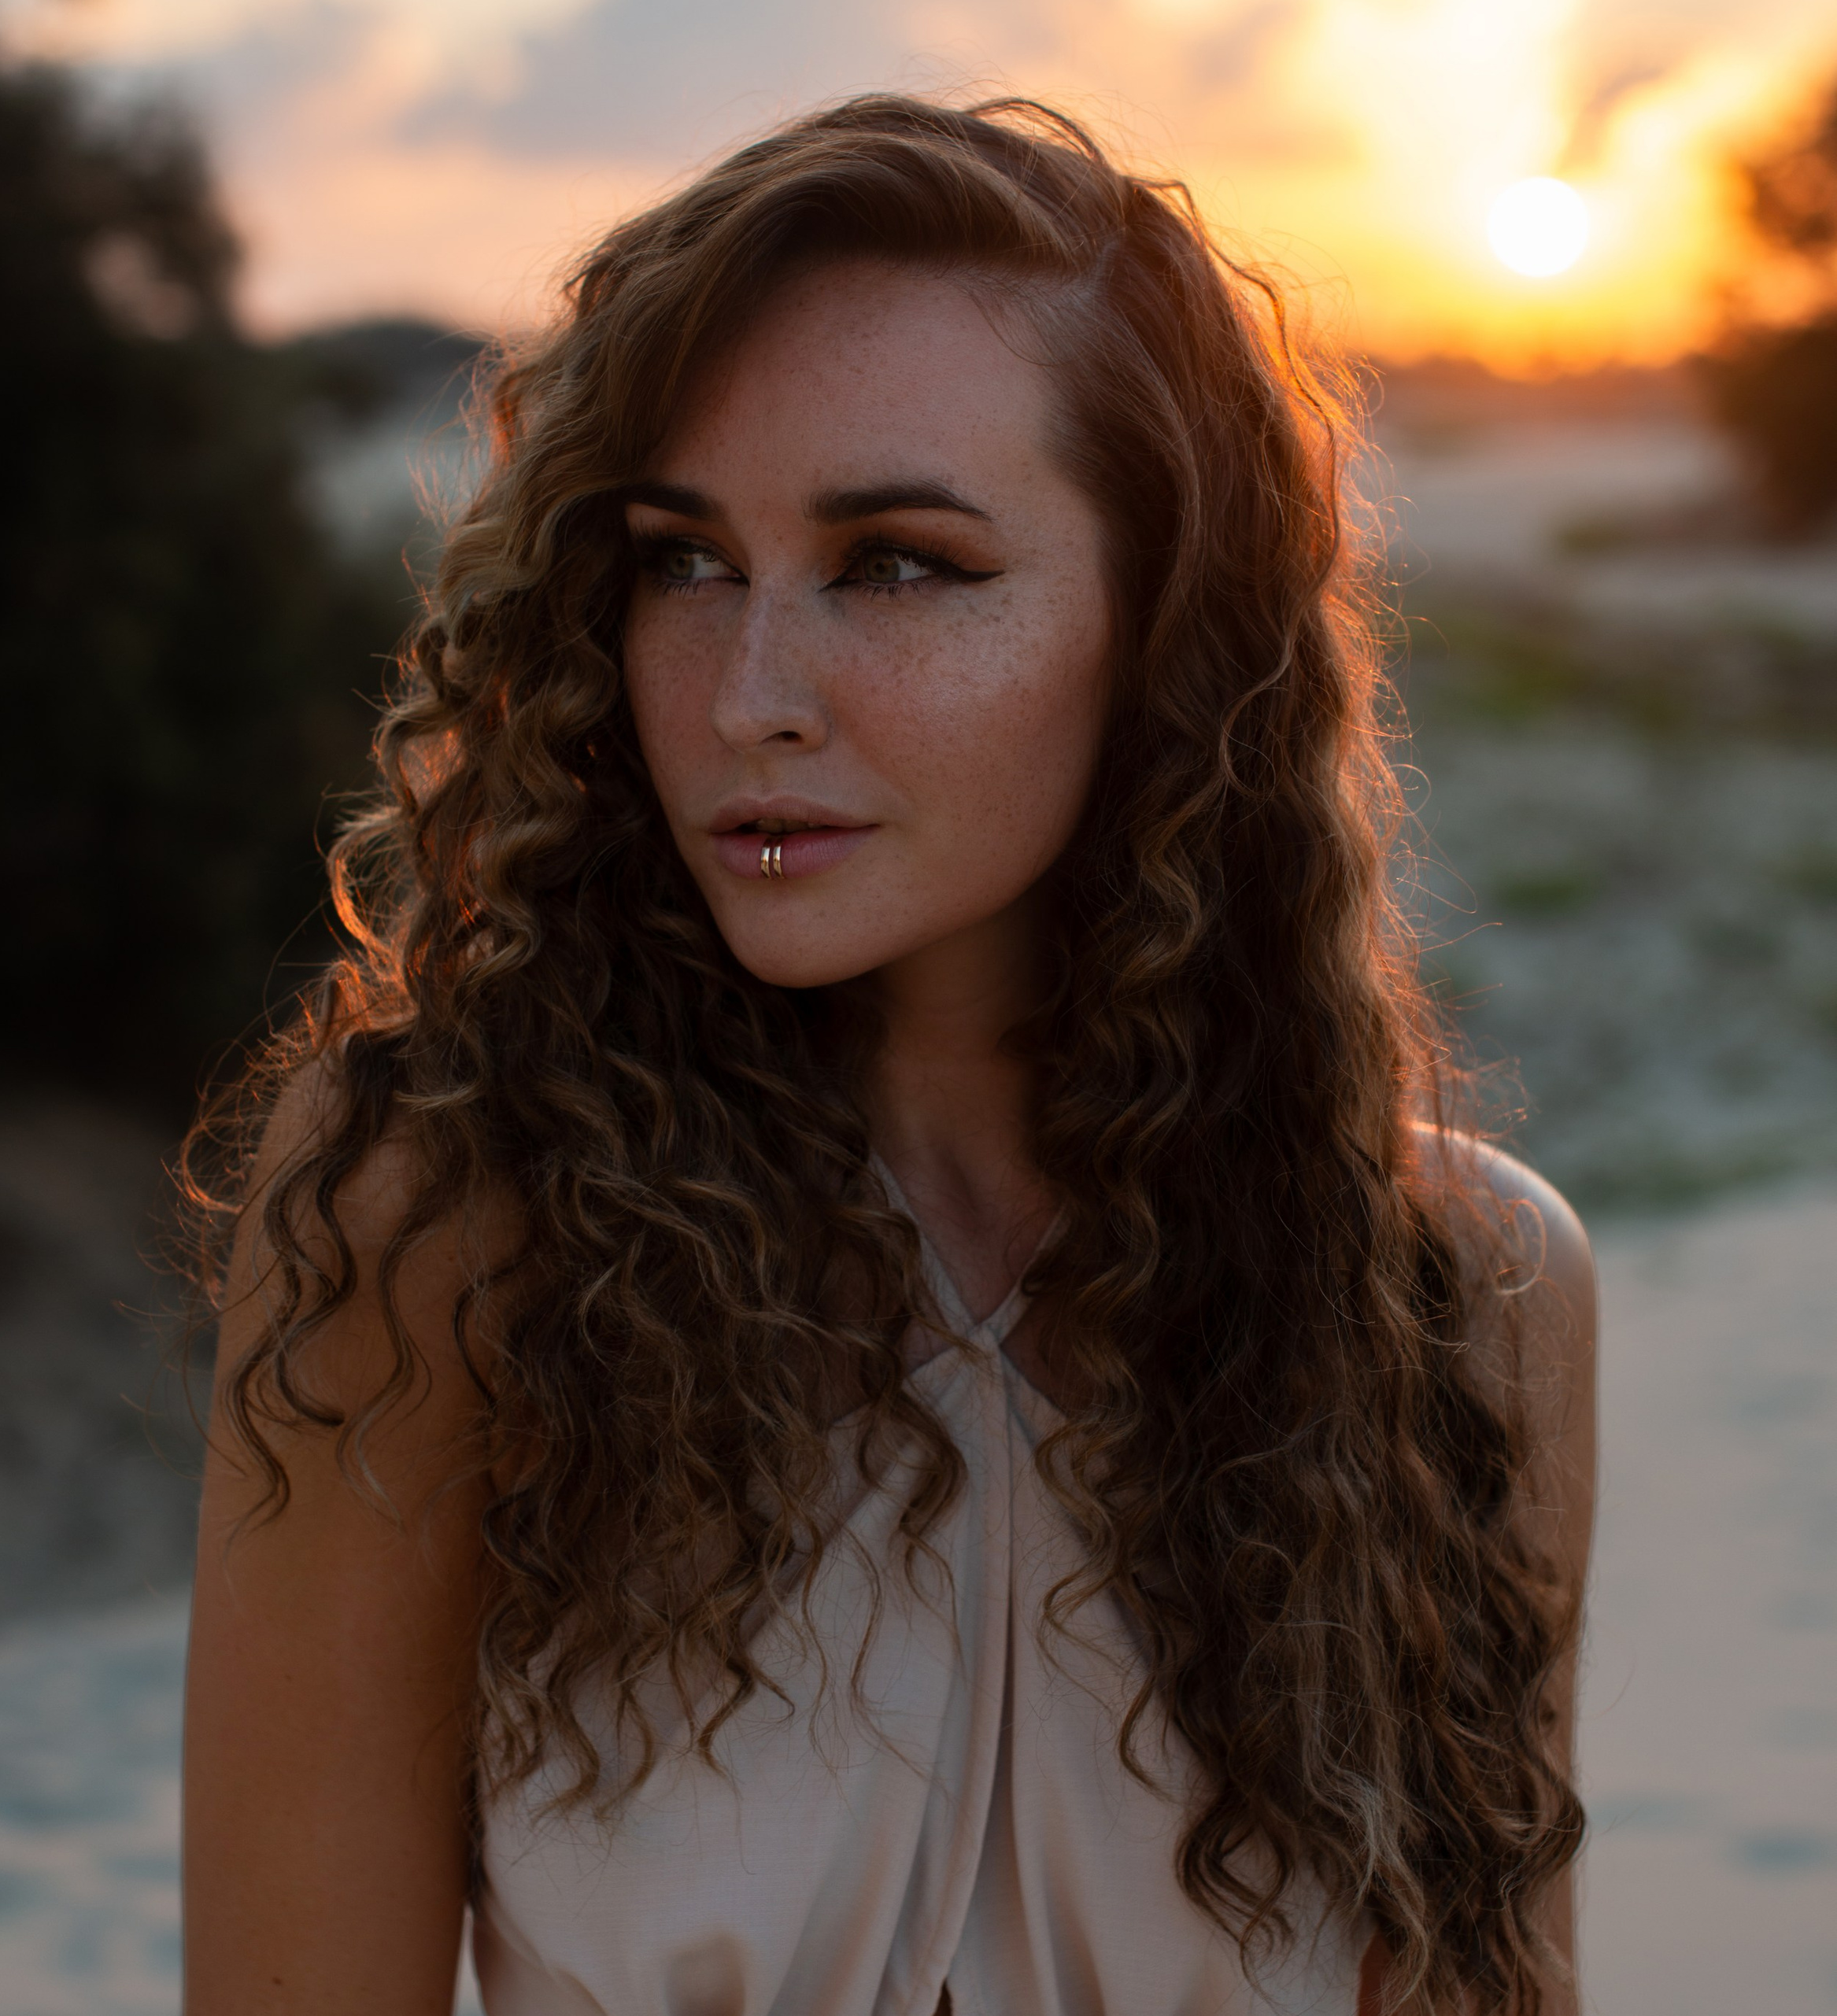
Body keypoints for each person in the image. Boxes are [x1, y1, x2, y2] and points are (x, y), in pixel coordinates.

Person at [179, 95, 1595, 2016]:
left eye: (897, 565)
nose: (749, 696)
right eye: (682, 564)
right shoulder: (446, 1217)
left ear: (1164, 625)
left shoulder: (1452, 1288)